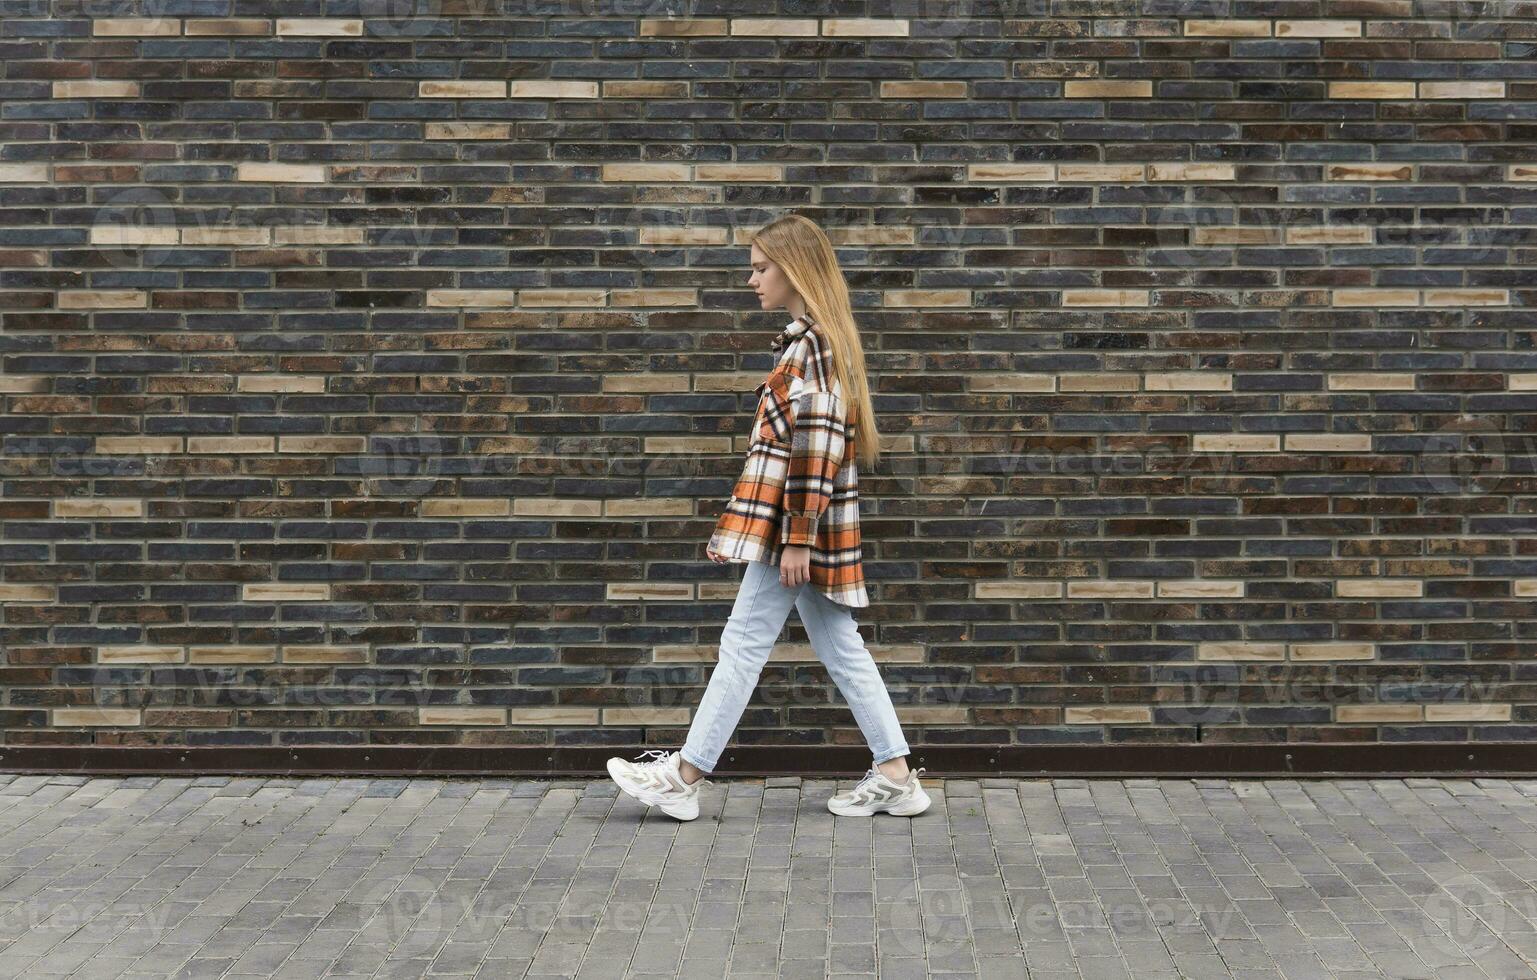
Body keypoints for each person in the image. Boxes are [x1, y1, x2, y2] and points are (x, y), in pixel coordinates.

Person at [606, 214, 929, 822]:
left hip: (797, 533)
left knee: (743, 645)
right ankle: (896, 775)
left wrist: (796, 541)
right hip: (796, 530)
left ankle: (683, 775)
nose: (752, 280)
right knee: (840, 647)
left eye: (760, 268)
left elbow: (814, 454)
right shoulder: (811, 344)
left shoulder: (814, 351)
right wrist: (742, 529)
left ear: (794, 270)